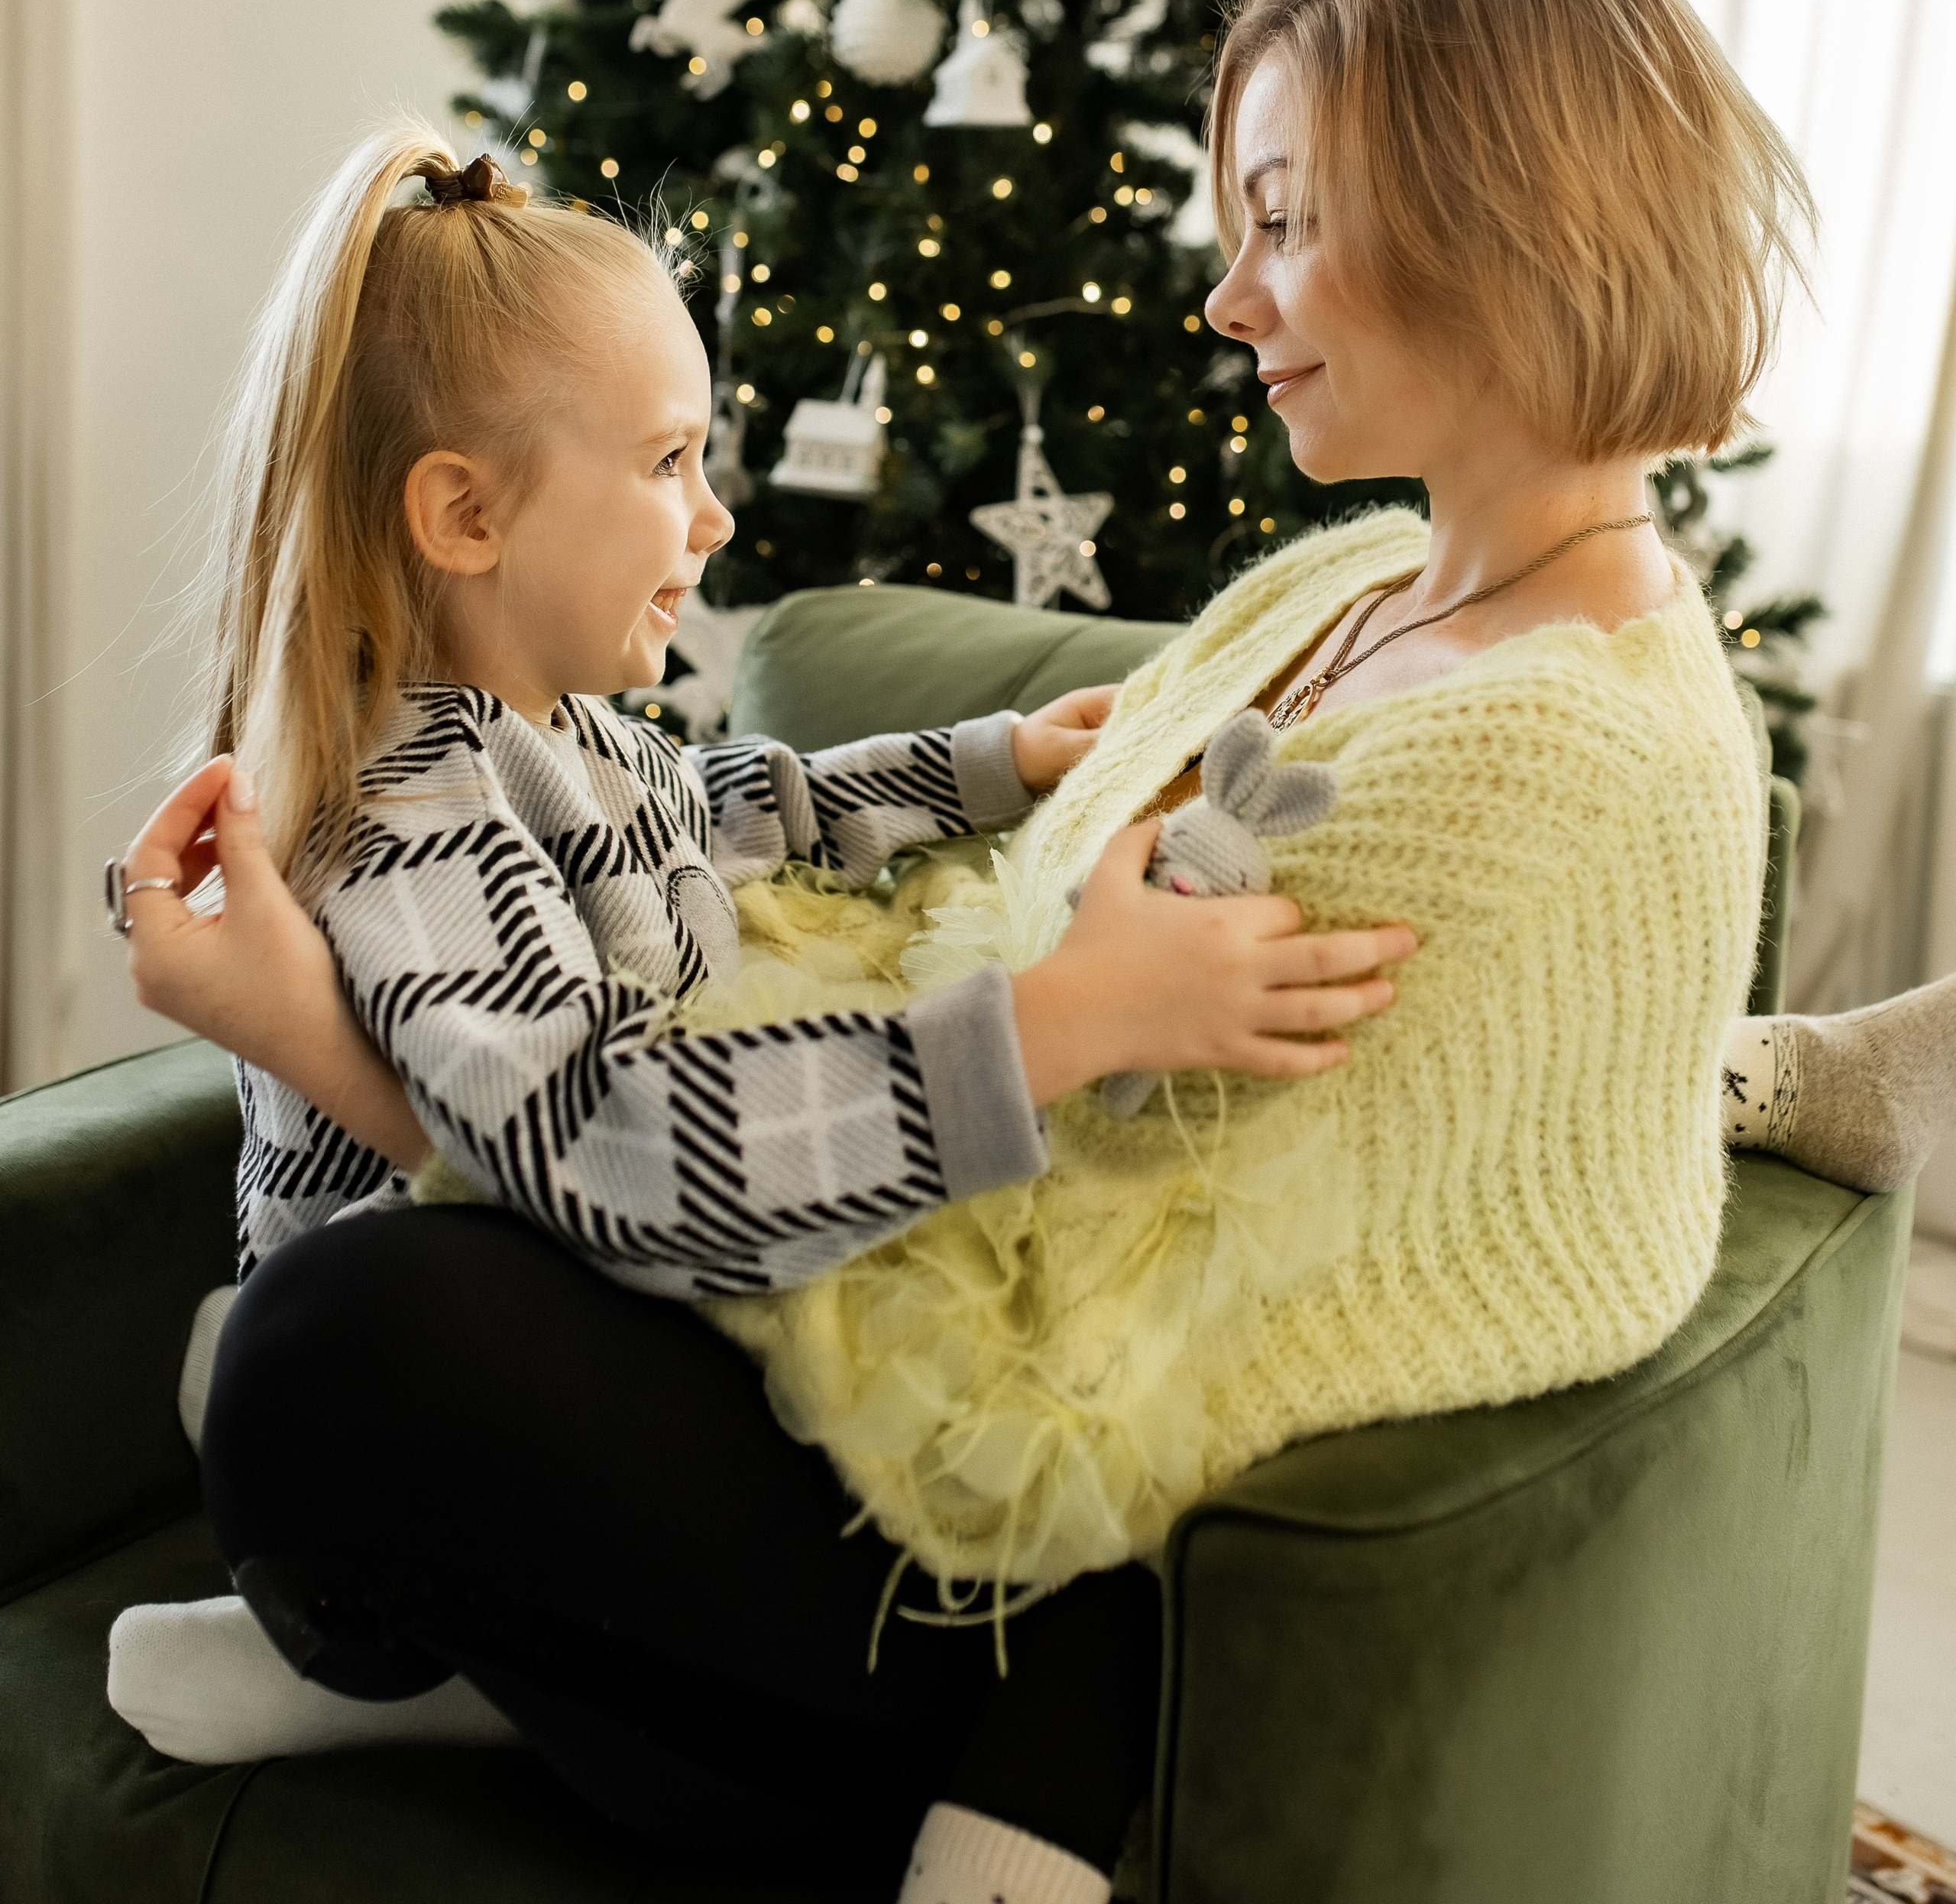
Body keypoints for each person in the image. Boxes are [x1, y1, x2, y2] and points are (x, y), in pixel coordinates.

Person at [115, 0, 1956, 1904]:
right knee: (331, 1337)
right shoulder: (1353, 582)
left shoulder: (1561, 743)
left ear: (1501, 221)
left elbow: (1271, 1205)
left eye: (1282, 221)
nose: (1228, 300)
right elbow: (947, 919)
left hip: (967, 1499)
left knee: (333, 1349)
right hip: (838, 1258)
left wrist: (337, 1053)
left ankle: (574, 1673)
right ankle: (463, 1634)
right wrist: (1001, 832)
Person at [106, 117, 1410, 1902]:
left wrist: (991, 764)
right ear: (464, 515)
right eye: (667, 460)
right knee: (1056, 1580)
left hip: (596, 1401)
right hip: (439, 1423)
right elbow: (601, 1144)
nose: (713, 515)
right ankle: (410, 1650)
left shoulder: (571, 740)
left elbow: (739, 806)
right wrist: (1055, 1021)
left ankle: (482, 1682)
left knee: (1087, 1461)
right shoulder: (415, 814)